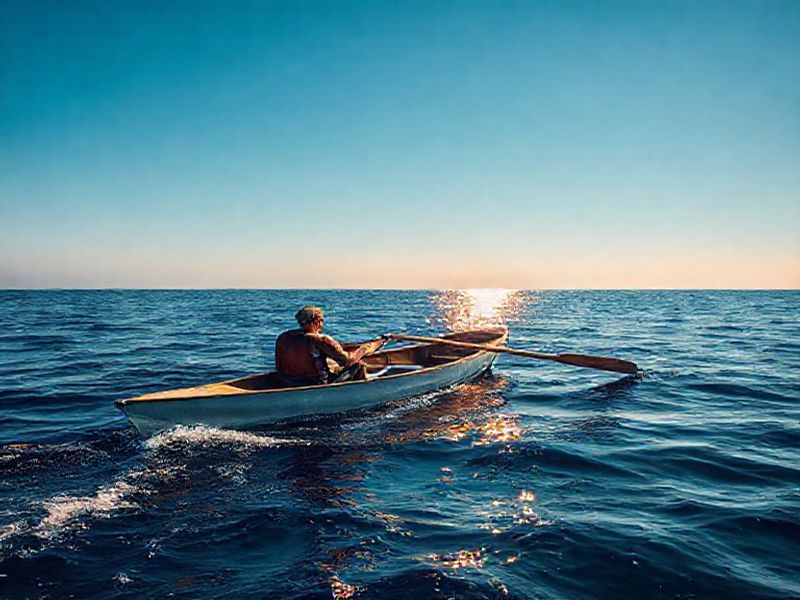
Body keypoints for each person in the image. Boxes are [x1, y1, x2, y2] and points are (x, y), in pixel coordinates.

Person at [275, 306, 385, 386]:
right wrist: (366, 348)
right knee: (358, 365)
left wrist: (358, 345)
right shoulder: (320, 339)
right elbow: (347, 360)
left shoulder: (283, 337)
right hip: (316, 384)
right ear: (318, 321)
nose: (322, 325)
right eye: (322, 322)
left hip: (288, 382)